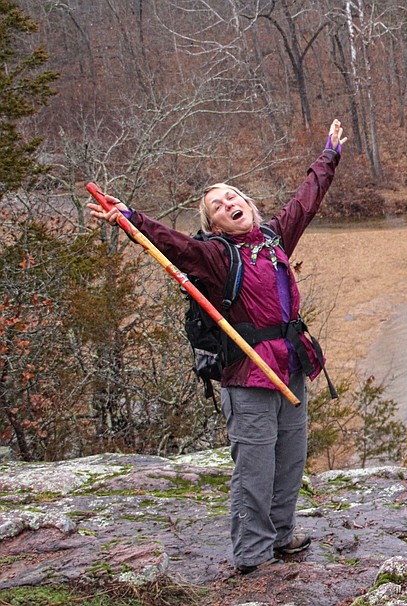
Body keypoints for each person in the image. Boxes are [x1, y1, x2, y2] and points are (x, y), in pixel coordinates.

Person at [89, 119, 346, 575]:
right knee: (255, 465)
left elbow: (305, 202)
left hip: (289, 363)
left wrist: (329, 156)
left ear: (248, 204)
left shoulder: (272, 239)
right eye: (217, 205)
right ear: (213, 223)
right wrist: (130, 218)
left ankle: (283, 535)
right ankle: (252, 553)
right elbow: (173, 244)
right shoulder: (215, 255)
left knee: (290, 459)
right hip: (248, 373)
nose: (228, 204)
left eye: (233, 197)